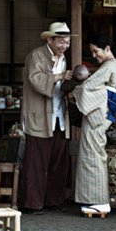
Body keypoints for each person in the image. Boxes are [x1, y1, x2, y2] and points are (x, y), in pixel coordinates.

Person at [19, 22, 75, 213]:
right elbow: (35, 80)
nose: (64, 45)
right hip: (39, 117)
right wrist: (59, 76)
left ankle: (53, 201)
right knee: (36, 162)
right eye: (60, 41)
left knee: (57, 162)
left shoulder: (63, 58)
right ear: (49, 40)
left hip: (59, 115)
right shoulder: (36, 55)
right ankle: (32, 203)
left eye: (67, 42)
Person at [72, 34, 116, 216]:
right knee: (95, 153)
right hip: (102, 115)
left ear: (107, 49)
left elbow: (88, 87)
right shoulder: (115, 65)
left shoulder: (109, 66)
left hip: (97, 116)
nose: (95, 55)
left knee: (91, 154)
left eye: (96, 51)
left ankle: (98, 201)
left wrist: (75, 90)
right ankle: (97, 200)